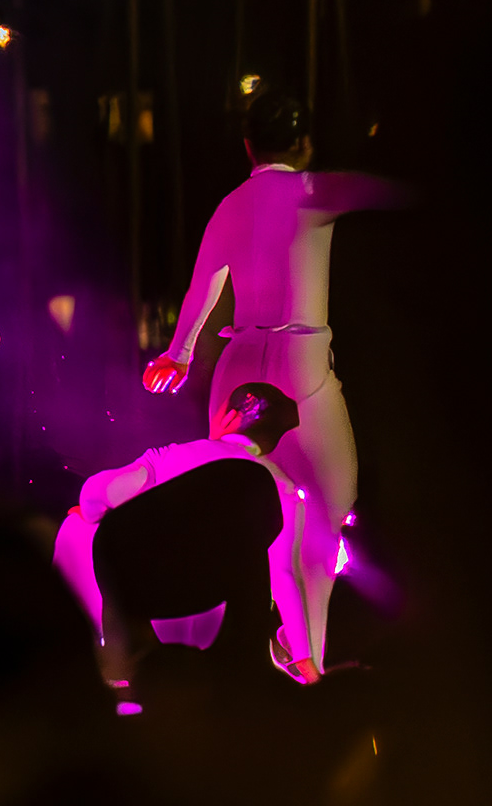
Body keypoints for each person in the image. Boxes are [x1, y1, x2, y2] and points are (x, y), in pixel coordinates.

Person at [140, 89, 406, 673]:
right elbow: (383, 191)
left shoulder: (229, 205)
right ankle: (301, 648)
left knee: (235, 505)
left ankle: (220, 646)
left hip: (238, 369)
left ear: (248, 146)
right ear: (304, 143)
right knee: (328, 509)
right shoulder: (312, 190)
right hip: (299, 362)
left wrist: (179, 354)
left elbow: (203, 285)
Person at [53, 382, 315, 682]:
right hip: (221, 622)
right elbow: (284, 575)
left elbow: (97, 493)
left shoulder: (171, 456)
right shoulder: (284, 489)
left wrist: (91, 510)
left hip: (155, 613)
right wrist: (304, 657)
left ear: (230, 417)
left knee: (79, 525)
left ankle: (76, 653)